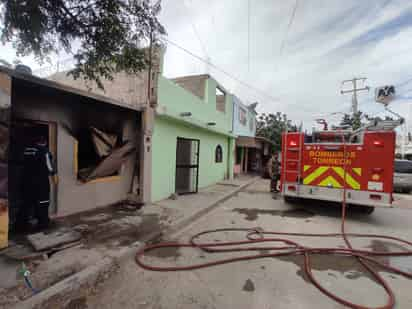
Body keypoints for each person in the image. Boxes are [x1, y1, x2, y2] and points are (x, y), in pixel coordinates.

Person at [17, 134, 57, 232]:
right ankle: (43, 224)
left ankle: (21, 224)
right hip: (40, 182)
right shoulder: (44, 151)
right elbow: (49, 167)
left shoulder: (26, 150)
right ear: (45, 142)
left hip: (25, 181)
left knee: (26, 202)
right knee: (43, 202)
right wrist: (54, 176)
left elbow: (20, 162)